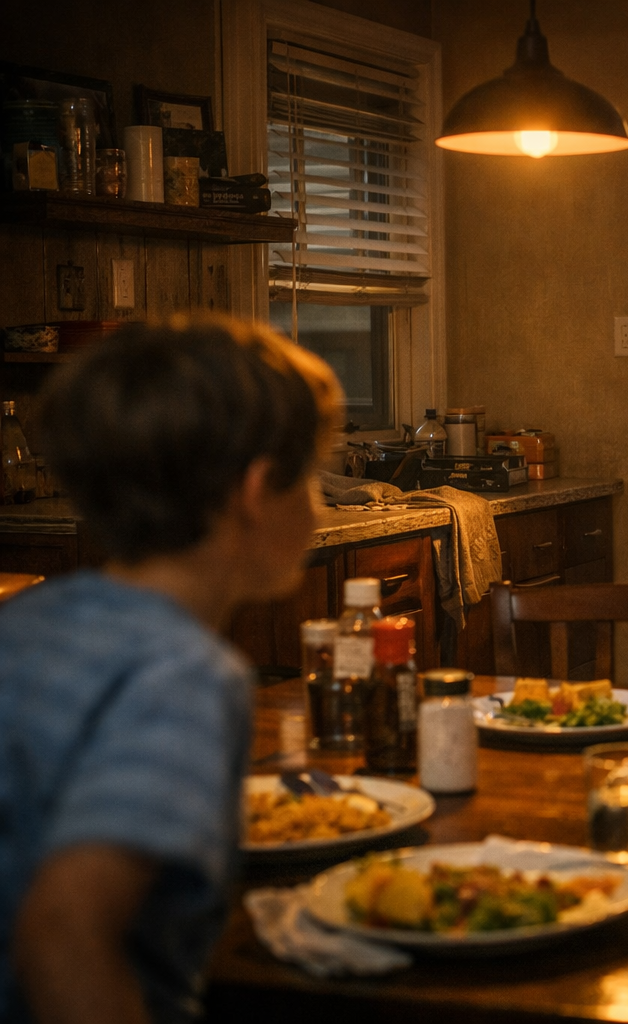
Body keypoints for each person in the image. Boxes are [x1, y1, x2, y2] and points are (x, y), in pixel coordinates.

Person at [0, 317, 341, 1024]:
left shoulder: (29, 618)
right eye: (309, 477)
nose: (318, 505)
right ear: (254, 493)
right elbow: (64, 936)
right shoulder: (186, 675)